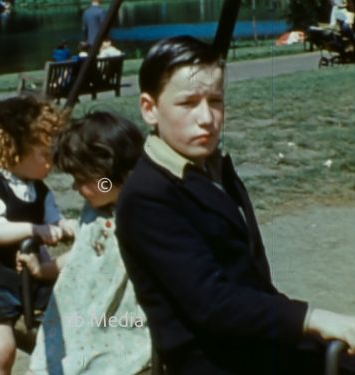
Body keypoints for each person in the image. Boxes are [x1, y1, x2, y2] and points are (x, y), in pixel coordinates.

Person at [115, 35, 355, 374]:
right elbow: (211, 304)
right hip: (215, 360)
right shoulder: (148, 197)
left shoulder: (209, 167)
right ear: (149, 108)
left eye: (215, 101)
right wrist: (312, 318)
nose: (206, 118)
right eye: (188, 103)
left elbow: (250, 277)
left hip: (254, 343)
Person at [17, 111, 151, 375]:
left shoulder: (135, 218)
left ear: (103, 173)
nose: (76, 188)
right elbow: (82, 254)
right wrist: (44, 270)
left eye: (80, 179)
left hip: (112, 321)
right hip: (73, 314)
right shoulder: (95, 207)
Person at [0, 96, 74, 375]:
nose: (52, 162)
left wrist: (69, 228)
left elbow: (54, 220)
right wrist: (35, 230)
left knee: (70, 318)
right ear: (12, 150)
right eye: (45, 155)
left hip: (30, 276)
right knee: (2, 348)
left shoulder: (39, 190)